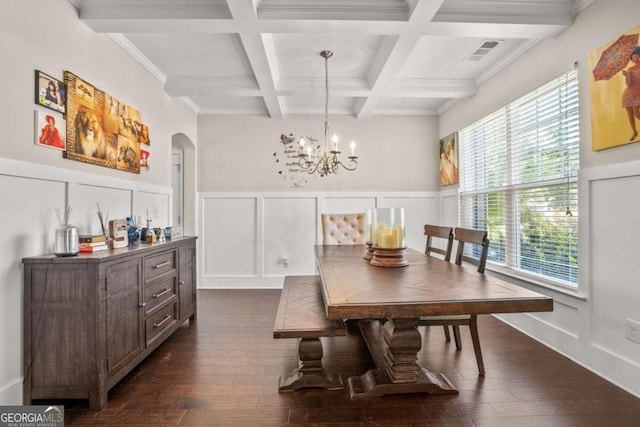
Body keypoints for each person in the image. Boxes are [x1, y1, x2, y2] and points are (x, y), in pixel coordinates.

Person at [622, 46, 640, 142]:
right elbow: (629, 83)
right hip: (629, 93)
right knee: (629, 113)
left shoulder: (632, 69)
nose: (634, 58)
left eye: (635, 56)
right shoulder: (630, 69)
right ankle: (634, 131)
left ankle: (634, 131)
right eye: (633, 57)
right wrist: (627, 75)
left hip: (638, 93)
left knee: (636, 113)